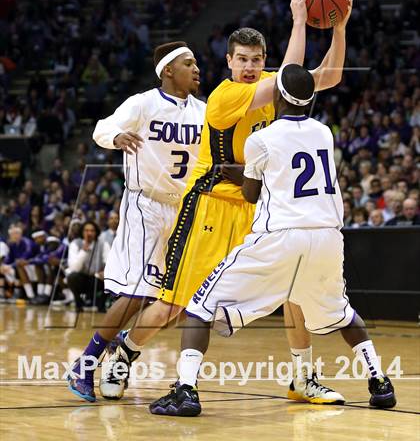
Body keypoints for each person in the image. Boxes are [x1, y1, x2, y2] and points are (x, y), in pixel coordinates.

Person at [102, 0, 352, 404]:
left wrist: (339, 27)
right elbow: (293, 75)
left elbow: (330, 76)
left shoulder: (275, 83)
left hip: (256, 210)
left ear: (264, 61)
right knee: (176, 305)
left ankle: (303, 377)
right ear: (230, 62)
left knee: (294, 292)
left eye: (257, 60)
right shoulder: (225, 95)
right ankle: (123, 354)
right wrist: (298, 20)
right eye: (243, 60)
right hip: (209, 206)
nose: (251, 67)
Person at [149, 65, 396, 416]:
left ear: (277, 95)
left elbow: (251, 195)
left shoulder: (260, 140)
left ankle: (185, 391)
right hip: (327, 236)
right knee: (341, 312)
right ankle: (379, 381)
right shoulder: (324, 132)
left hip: (280, 237)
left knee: (200, 305)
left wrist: (236, 173)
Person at [67, 42, 205, 402]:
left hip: (182, 211)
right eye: (189, 63)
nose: (196, 69)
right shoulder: (143, 103)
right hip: (145, 204)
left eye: (196, 64)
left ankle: (123, 353)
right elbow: (101, 128)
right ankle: (85, 363)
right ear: (168, 70)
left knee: (174, 302)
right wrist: (116, 136)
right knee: (138, 292)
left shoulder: (204, 112)